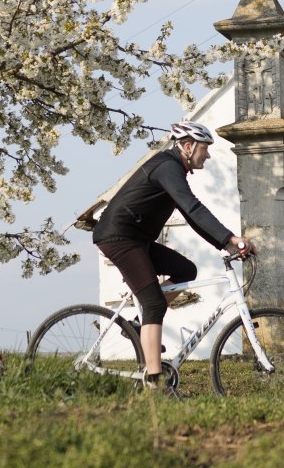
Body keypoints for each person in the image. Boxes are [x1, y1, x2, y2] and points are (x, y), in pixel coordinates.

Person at [92, 120, 257, 393]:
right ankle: (156, 383)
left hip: (137, 239)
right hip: (119, 238)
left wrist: (225, 244)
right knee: (155, 304)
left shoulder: (173, 168)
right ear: (188, 146)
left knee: (185, 270)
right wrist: (230, 238)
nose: (208, 155)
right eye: (205, 148)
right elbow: (193, 207)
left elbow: (191, 216)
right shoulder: (168, 167)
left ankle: (138, 323)